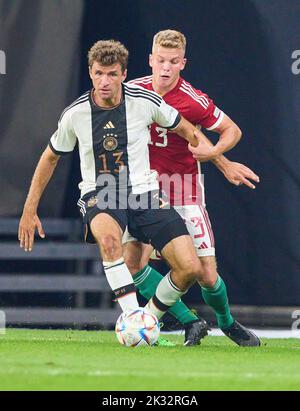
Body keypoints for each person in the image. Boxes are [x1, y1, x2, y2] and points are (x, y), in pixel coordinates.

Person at [18, 39, 238, 326]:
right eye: (98, 73)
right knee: (111, 243)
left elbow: (187, 130)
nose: (104, 81)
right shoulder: (76, 114)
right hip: (102, 193)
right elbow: (50, 158)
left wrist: (219, 160)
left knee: (190, 268)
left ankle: (148, 320)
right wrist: (29, 208)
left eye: (111, 74)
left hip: (145, 192)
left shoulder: (145, 101)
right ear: (90, 72)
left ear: (123, 74)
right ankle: (133, 317)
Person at [124, 30, 261, 347]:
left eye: (173, 62)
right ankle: (190, 322)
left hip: (184, 189)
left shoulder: (192, 100)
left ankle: (227, 323)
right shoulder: (131, 92)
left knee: (205, 274)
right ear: (150, 60)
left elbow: (230, 130)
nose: (165, 68)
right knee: (134, 264)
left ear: (182, 63)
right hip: (146, 191)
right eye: (160, 60)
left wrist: (217, 156)